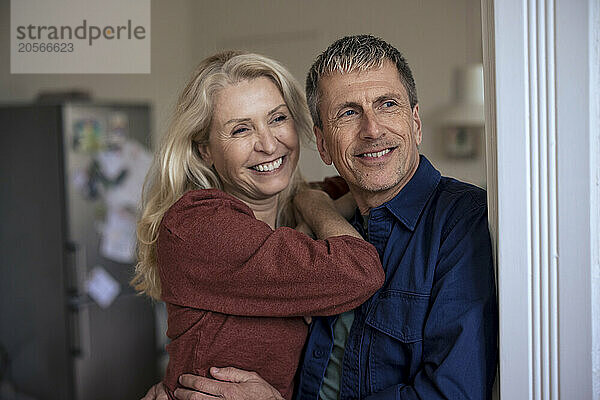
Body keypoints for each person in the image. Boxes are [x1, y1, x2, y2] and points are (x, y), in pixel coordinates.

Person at [165, 35, 498, 400]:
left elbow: (452, 394)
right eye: (349, 113)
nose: (372, 130)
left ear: (416, 122)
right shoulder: (327, 221)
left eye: (387, 104)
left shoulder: (460, 220)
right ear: (322, 143)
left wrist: (313, 202)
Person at [131, 50, 385, 400]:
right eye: (240, 129)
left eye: (277, 118)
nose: (268, 144)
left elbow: (362, 188)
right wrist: (316, 207)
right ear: (205, 149)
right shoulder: (199, 225)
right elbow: (358, 270)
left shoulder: (286, 210)